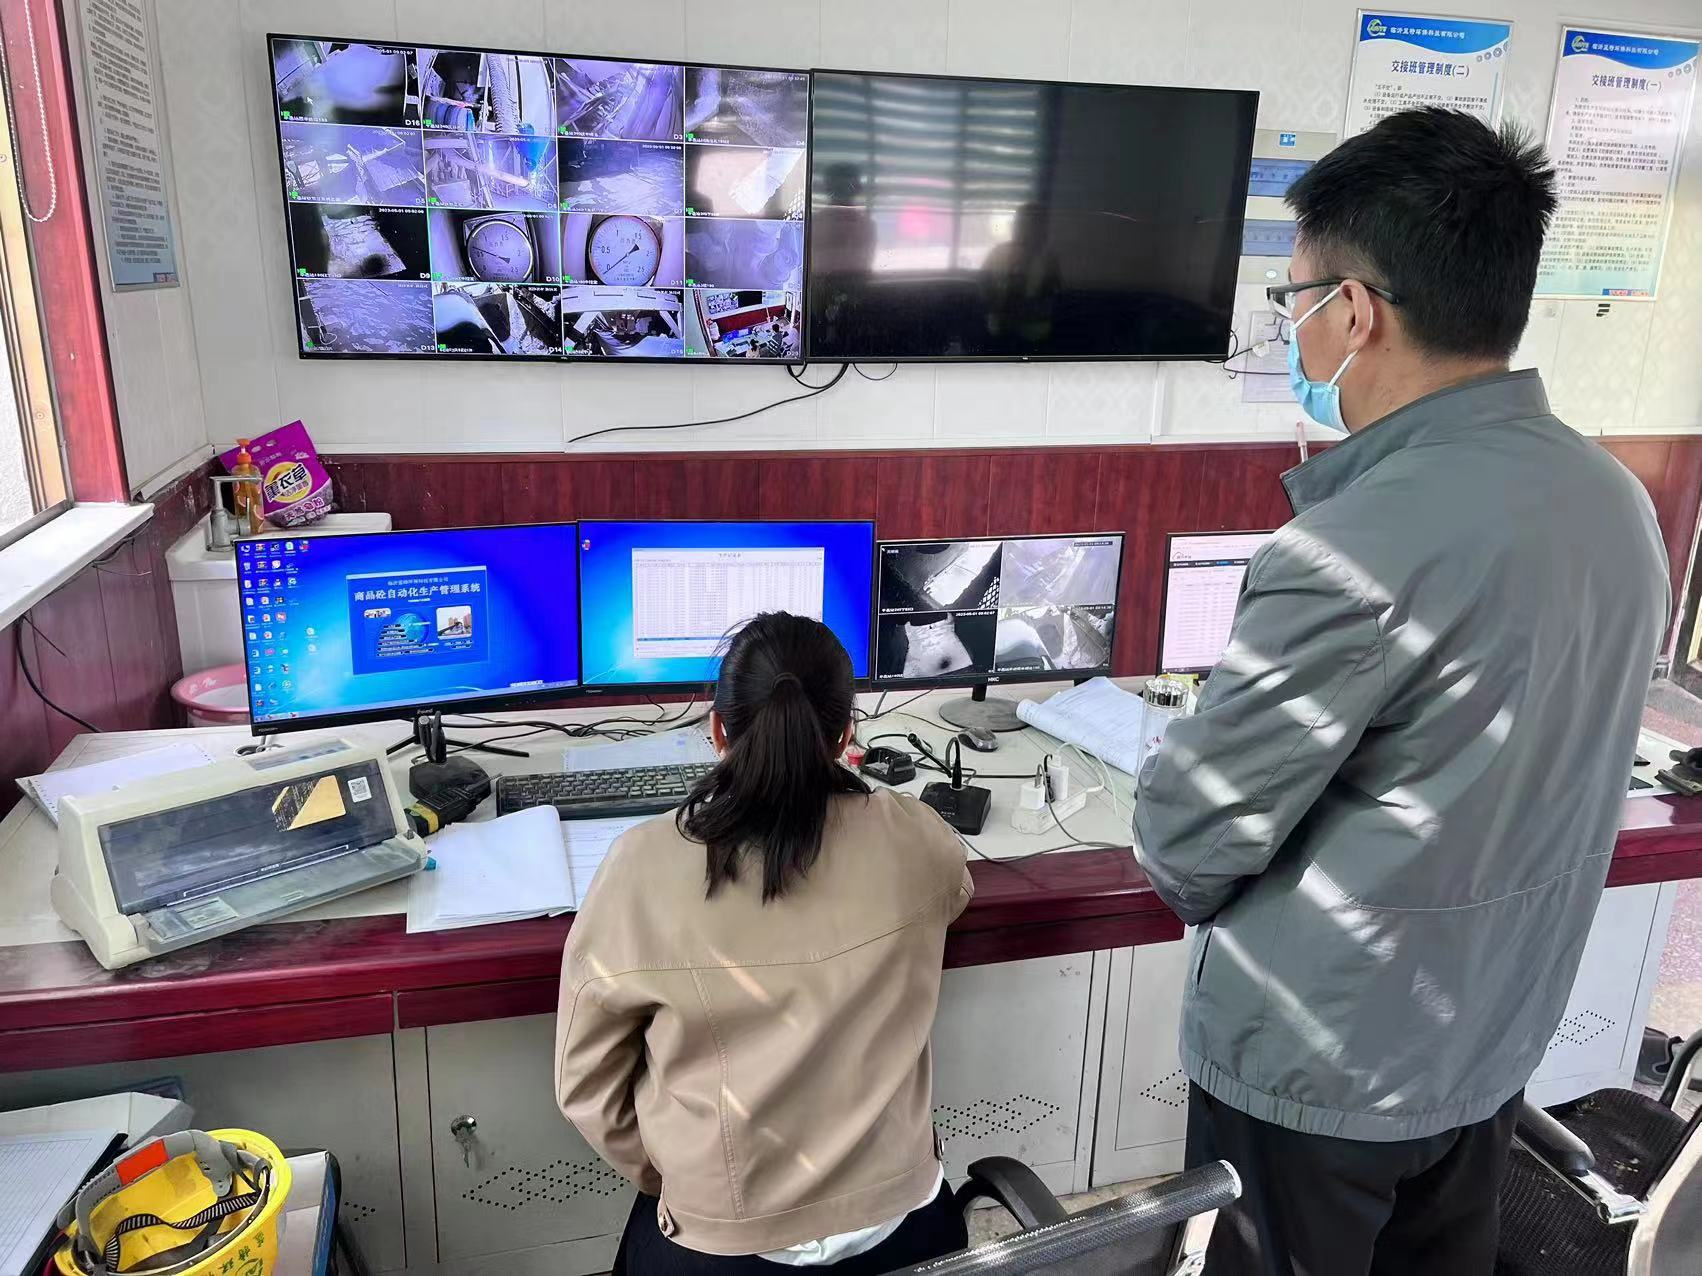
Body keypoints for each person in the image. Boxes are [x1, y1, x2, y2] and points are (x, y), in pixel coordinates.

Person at [1132, 107, 1671, 1275]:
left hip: (1317, 1069)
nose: (1292, 328)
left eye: (1292, 301)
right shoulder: (1617, 503)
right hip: (1487, 1038)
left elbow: (1188, 846)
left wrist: (1165, 757)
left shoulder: (1353, 545)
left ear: (1353, 311)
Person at [555, 612, 973, 1273]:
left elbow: (586, 1089)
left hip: (724, 1243)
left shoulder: (642, 866)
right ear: (845, 734)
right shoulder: (916, 838)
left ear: (718, 730)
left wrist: (678, 1178)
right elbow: (954, 893)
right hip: (903, 1226)